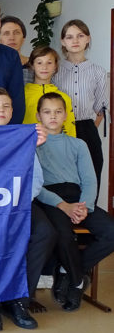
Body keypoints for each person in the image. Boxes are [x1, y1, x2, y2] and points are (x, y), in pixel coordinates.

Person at [0, 88, 56, 331]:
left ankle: (19, 299)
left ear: (12, 111)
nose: (1, 110)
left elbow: (37, 179)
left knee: (45, 233)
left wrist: (18, 203)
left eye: (6, 106)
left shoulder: (22, 137)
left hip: (20, 204)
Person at [34, 92, 114, 311]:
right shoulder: (34, 145)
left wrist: (84, 207)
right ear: (38, 116)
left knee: (111, 232)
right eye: (47, 112)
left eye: (58, 111)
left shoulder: (78, 144)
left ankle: (66, 271)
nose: (53, 116)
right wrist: (63, 206)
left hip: (78, 197)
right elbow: (36, 187)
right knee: (62, 233)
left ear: (66, 115)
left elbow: (89, 180)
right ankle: (78, 282)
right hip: (51, 200)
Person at [53, 19, 109, 198]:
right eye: (69, 37)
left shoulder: (98, 72)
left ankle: (89, 211)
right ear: (63, 42)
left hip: (87, 127)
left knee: (91, 174)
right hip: (60, 130)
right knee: (63, 178)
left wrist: (91, 129)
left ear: (88, 39)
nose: (75, 40)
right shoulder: (54, 71)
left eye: (80, 35)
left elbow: (100, 108)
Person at [23, 46, 76, 137]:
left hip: (56, 145)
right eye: (39, 63)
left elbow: (70, 129)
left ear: (55, 66)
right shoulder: (22, 96)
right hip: (29, 143)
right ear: (32, 65)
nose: (44, 67)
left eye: (49, 63)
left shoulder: (64, 97)